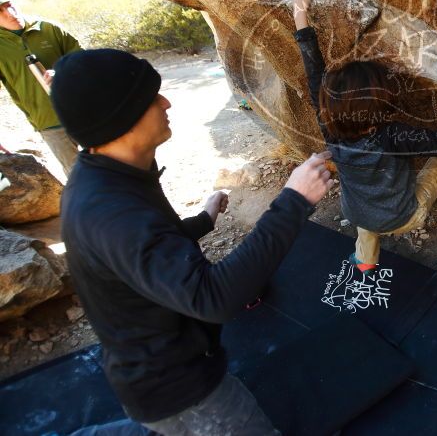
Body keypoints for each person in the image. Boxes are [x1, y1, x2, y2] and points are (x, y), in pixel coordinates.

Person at [51, 48, 333, 435]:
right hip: (178, 388)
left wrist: (202, 221)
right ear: (121, 118)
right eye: (151, 98)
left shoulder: (110, 175)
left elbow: (144, 253)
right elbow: (213, 298)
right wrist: (294, 201)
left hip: (159, 360)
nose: (166, 102)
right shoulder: (111, 212)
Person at [289, 0, 437, 275]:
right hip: (405, 215)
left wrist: (299, 11)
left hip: (358, 212)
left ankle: (366, 258)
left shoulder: (329, 126)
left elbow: (314, 74)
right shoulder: (390, 135)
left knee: (365, 214)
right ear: (380, 110)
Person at [0, 0, 82, 176]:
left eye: (9, 5)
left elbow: (86, 63)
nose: (11, 13)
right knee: (79, 176)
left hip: (85, 110)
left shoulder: (48, 29)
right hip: (49, 123)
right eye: (1, 11)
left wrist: (63, 72)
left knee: (115, 166)